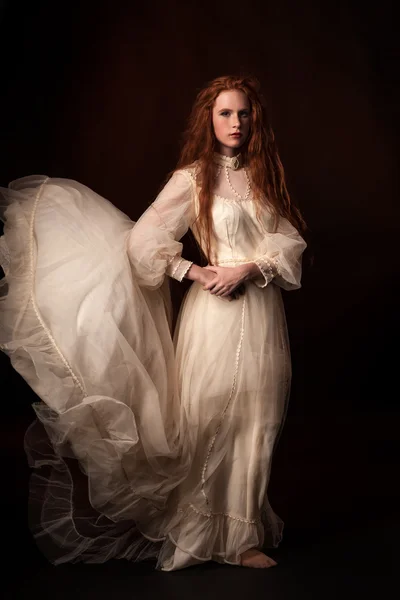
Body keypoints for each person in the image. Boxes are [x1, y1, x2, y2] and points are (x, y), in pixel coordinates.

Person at [0, 75, 307, 571]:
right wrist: (196, 270)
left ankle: (239, 536)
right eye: (225, 113)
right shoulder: (193, 177)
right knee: (210, 419)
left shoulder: (261, 176)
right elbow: (144, 240)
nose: (236, 122)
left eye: (243, 114)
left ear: (255, 120)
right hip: (216, 316)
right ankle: (198, 532)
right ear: (209, 119)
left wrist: (250, 268)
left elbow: (288, 242)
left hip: (261, 312)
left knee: (259, 420)